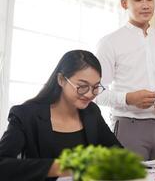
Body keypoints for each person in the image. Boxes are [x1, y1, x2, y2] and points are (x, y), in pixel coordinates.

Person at [96, 0, 155, 165]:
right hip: (129, 125)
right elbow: (97, 92)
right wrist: (128, 98)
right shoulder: (109, 42)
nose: (145, 5)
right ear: (124, 4)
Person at [0, 50, 122, 181]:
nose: (89, 94)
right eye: (82, 86)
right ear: (61, 80)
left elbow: (118, 153)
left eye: (96, 87)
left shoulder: (91, 112)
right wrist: (59, 167)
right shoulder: (25, 115)